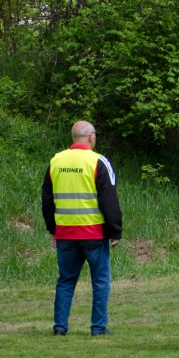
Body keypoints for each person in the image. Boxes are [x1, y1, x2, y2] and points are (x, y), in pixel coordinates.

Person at [42, 121, 123, 336]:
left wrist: (53, 229)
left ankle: (60, 327)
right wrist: (115, 230)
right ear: (90, 137)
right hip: (93, 233)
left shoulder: (56, 161)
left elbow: (47, 201)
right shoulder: (98, 161)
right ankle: (98, 328)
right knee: (101, 281)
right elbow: (109, 200)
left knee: (66, 281)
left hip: (66, 233)